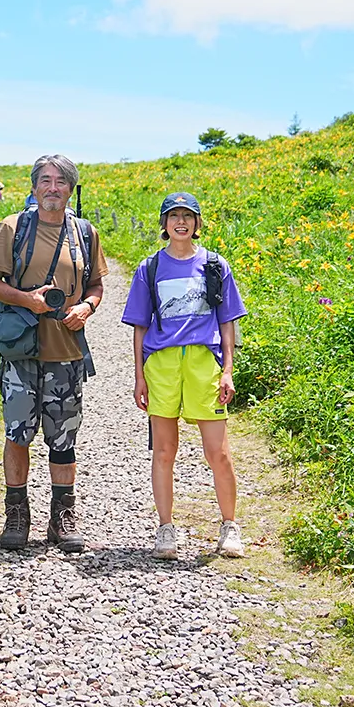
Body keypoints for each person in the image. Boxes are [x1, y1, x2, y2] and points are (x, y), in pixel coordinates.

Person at [0, 154, 105, 552]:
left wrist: (87, 307)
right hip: (22, 351)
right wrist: (28, 301)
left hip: (66, 352)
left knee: (64, 439)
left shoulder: (85, 233)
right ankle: (16, 514)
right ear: (33, 187)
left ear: (71, 189)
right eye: (46, 181)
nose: (53, 188)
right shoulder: (13, 227)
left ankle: (62, 518)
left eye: (61, 182)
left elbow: (97, 286)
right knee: (18, 435)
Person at [121, 192, 248, 560]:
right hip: (160, 365)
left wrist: (227, 371)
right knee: (163, 451)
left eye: (187, 216)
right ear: (163, 224)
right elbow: (140, 327)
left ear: (197, 223)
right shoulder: (150, 268)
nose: (180, 222)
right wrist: (138, 377)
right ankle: (165, 530)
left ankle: (229, 526)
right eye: (173, 215)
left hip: (203, 364)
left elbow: (227, 322)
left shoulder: (215, 265)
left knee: (218, 452)